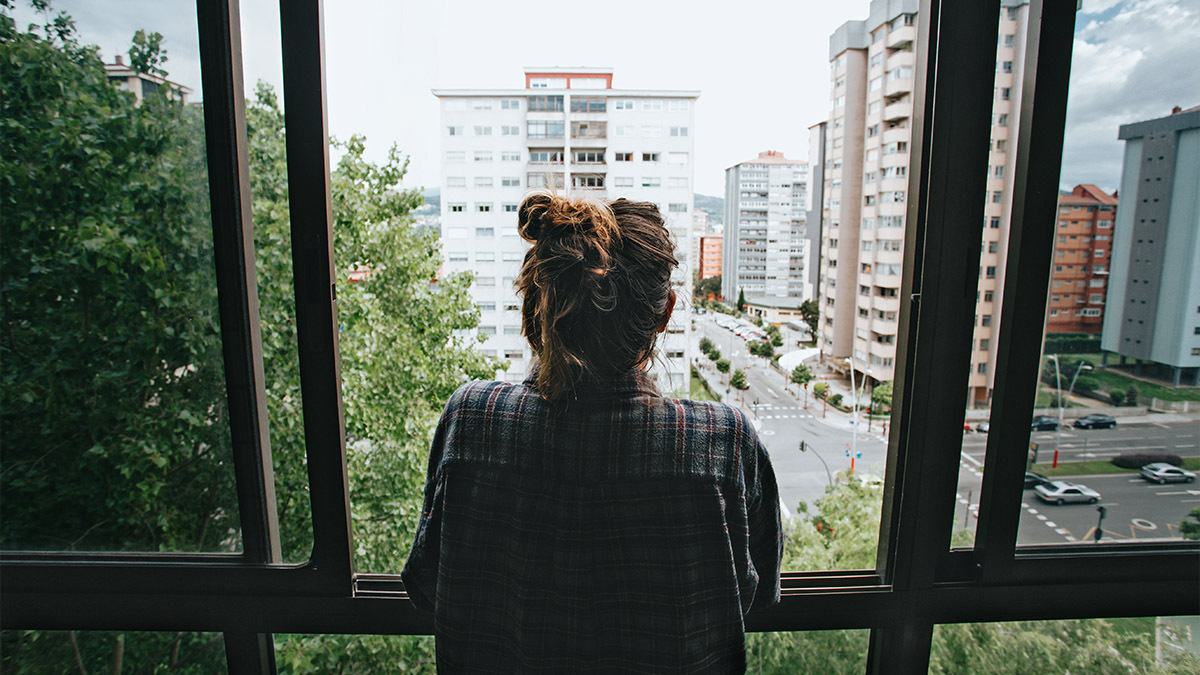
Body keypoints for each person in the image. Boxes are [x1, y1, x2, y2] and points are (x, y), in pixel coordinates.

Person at [402, 192, 783, 674]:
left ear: (537, 302)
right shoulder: (723, 443)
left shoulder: (471, 421)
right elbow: (756, 593)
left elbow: (424, 585)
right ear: (664, 313)